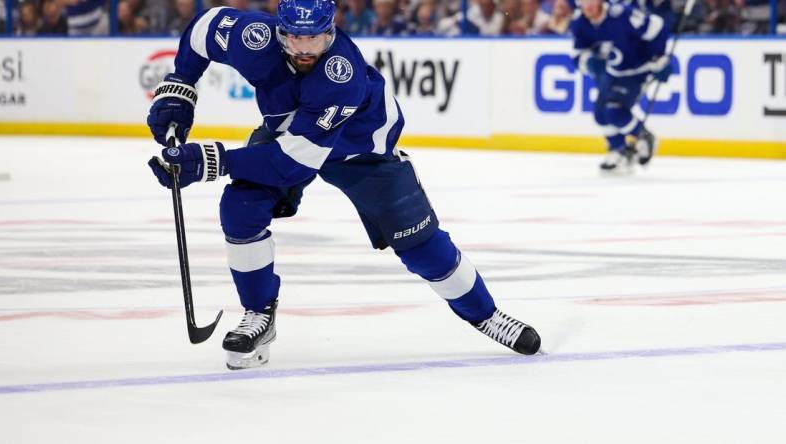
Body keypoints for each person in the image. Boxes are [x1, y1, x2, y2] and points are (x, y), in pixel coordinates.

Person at [147, 0, 541, 369]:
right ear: (278, 32)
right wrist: (181, 86)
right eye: (295, 38)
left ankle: (487, 316)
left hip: (360, 154)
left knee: (420, 245)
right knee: (240, 207)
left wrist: (211, 161)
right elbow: (204, 27)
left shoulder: (341, 75)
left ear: (331, 32)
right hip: (291, 138)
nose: (304, 48)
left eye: (314, 38)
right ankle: (259, 316)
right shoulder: (254, 37)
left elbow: (290, 164)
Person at [570, 0, 672, 172]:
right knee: (600, 115)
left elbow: (656, 26)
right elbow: (577, 54)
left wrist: (659, 58)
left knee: (614, 111)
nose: (587, 6)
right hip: (613, 72)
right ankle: (619, 150)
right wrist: (588, 62)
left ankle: (644, 137)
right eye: (583, 1)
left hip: (637, 71)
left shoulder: (622, 14)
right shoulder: (579, 21)